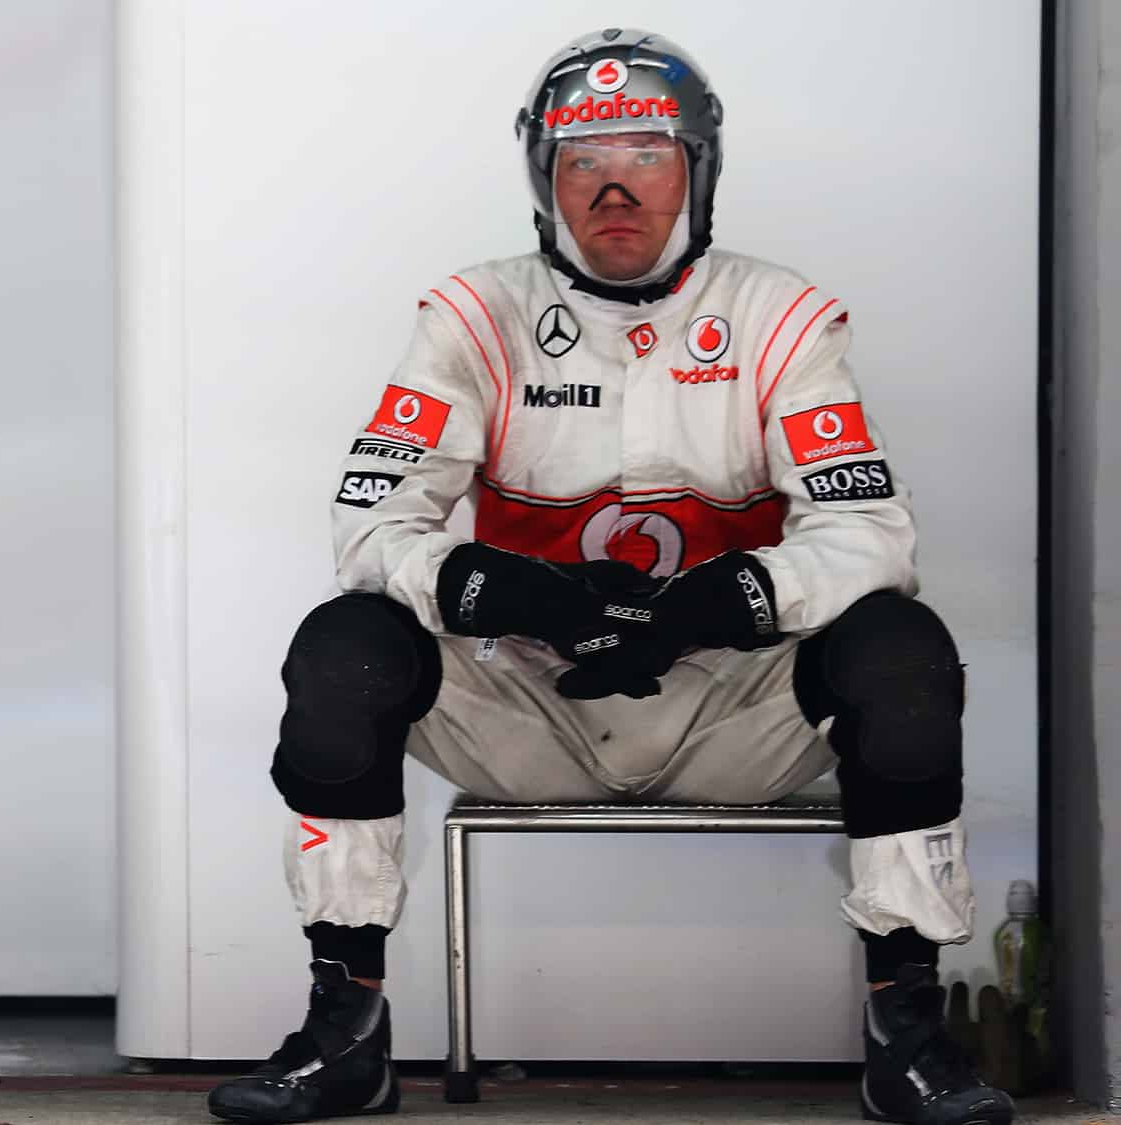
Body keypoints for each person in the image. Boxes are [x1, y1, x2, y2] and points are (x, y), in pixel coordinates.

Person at [205, 28, 1015, 1125]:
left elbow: (871, 532)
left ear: (698, 170)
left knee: (898, 647)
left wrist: (720, 604)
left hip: (730, 709)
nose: (615, 186)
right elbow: (367, 524)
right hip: (528, 698)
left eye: (646, 152)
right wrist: (501, 593)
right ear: (543, 180)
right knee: (343, 641)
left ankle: (902, 1031)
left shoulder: (781, 316)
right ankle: (344, 1025)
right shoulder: (469, 315)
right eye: (582, 161)